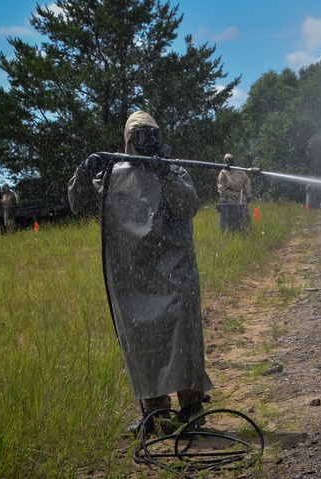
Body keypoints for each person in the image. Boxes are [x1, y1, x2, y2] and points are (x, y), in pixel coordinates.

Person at [69, 110, 212, 433]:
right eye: (139, 134)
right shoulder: (110, 176)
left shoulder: (172, 170)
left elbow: (188, 206)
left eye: (151, 134)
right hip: (131, 279)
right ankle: (154, 413)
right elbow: (78, 204)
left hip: (175, 275)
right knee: (143, 348)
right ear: (128, 139)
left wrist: (164, 173)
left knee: (183, 342)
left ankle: (191, 410)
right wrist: (84, 170)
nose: (145, 140)